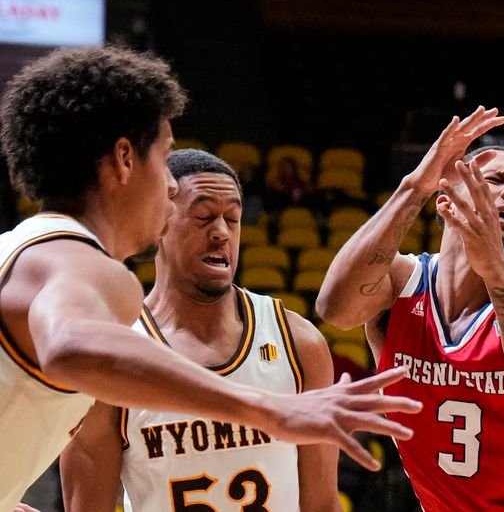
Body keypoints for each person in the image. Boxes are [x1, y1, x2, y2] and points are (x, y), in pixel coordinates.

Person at [0, 45, 419, 510]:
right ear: (124, 159)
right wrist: (270, 410)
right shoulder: (86, 265)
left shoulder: (19, 249)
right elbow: (68, 346)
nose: (171, 184)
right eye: (164, 159)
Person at [317, 106, 504, 511]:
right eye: (496, 179)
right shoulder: (400, 285)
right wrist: (415, 186)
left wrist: (495, 268)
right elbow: (333, 307)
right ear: (447, 197)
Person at [60, 149, 341, 511]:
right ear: (160, 222)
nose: (222, 232)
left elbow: (321, 505)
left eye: (233, 219)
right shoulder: (113, 357)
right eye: (204, 216)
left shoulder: (299, 344)